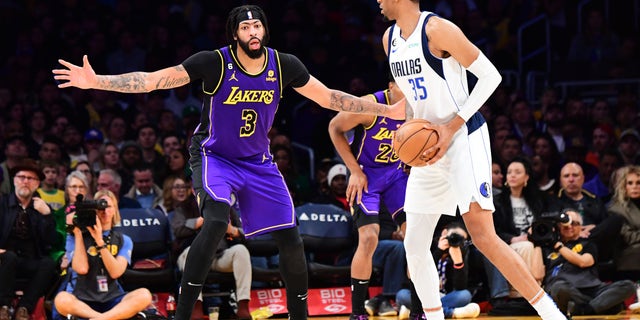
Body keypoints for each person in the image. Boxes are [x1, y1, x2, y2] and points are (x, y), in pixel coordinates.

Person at [52, 5, 403, 319]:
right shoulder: (214, 62)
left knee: (290, 237)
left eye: (258, 26)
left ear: (265, 30)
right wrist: (97, 81)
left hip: (258, 162)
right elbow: (152, 81)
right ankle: (184, 313)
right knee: (217, 220)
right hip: (214, 156)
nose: (254, 32)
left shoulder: (284, 65)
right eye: (246, 27)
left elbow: (329, 98)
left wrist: (386, 110)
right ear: (235, 33)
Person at [376, 1, 565, 319]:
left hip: (463, 137)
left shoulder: (437, 30)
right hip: (428, 148)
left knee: (483, 235)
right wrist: (407, 136)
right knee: (415, 243)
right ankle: (434, 316)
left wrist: (450, 128)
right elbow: (412, 97)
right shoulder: (389, 38)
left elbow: (491, 77)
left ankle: (551, 313)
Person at [327, 78, 408, 319]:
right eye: (405, 87)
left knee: (416, 238)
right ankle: (357, 311)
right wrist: (354, 170)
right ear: (391, 85)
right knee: (370, 237)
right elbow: (334, 127)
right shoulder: (369, 105)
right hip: (366, 176)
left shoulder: (418, 106)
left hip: (396, 175)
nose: (410, 93)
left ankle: (418, 310)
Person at [52, 190, 153, 320]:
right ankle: (104, 318)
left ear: (115, 210)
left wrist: (100, 242)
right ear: (93, 210)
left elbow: (116, 272)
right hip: (83, 300)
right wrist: (77, 232)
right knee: (61, 299)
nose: (104, 211)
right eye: (99, 207)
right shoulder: (75, 237)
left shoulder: (124, 240)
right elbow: (81, 269)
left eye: (108, 206)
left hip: (112, 298)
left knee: (144, 295)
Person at [171, 190, 252, 319]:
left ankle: (243, 306)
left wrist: (233, 230)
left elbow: (246, 234)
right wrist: (196, 222)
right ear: (193, 188)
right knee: (190, 252)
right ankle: (195, 308)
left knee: (241, 251)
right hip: (193, 257)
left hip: (219, 256)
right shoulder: (183, 206)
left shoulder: (224, 205)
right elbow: (177, 230)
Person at [542, 208, 636, 316]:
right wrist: (535, 241)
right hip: (566, 290)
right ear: (558, 226)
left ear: (581, 227)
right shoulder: (547, 248)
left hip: (593, 289)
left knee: (628, 286)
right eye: (564, 223)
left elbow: (584, 262)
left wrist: (559, 247)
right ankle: (600, 306)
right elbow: (537, 274)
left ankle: (585, 310)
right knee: (559, 288)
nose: (569, 226)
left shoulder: (587, 244)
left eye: (574, 223)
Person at [0, 159, 57, 320]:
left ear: (37, 183)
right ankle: (3, 306)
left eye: (30, 178)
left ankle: (24, 307)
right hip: (4, 259)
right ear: (14, 180)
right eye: (21, 177)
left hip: (30, 260)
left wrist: (46, 216)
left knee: (48, 263)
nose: (25, 181)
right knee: (9, 257)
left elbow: (51, 241)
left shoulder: (42, 207)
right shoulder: (2, 203)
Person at [396, 221, 480, 319]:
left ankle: (416, 311)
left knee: (464, 295)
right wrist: (438, 252)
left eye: (460, 240)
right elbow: (415, 275)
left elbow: (460, 287)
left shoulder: (463, 252)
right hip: (423, 295)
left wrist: (458, 263)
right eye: (453, 237)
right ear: (444, 233)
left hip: (446, 297)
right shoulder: (428, 245)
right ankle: (451, 313)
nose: (455, 241)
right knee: (402, 295)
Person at [607, 165, 640, 280]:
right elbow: (628, 236)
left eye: (638, 183)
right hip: (629, 257)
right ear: (623, 186)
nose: (635, 187)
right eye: (630, 183)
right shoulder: (616, 209)